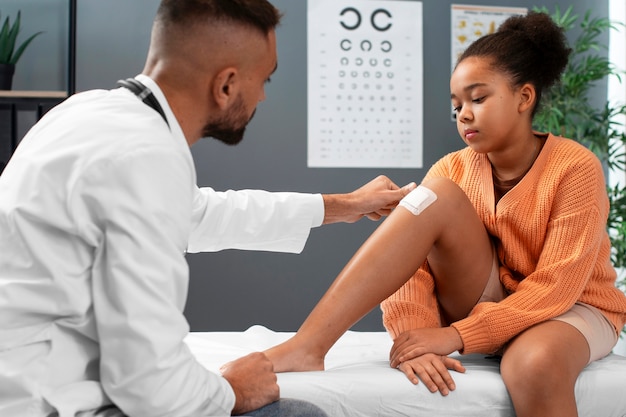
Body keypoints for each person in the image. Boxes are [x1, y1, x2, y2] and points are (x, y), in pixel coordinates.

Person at [0, 1, 416, 416]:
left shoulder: (88, 113)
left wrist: (344, 206)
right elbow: (149, 384)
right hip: (46, 400)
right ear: (226, 85)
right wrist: (233, 391)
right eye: (264, 79)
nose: (264, 95)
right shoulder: (144, 155)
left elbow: (198, 214)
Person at [264, 11, 626, 417]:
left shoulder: (575, 168)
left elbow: (557, 286)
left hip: (570, 306)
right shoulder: (451, 170)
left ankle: (511, 344)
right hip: (490, 299)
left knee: (532, 364)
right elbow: (411, 267)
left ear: (525, 97)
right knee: (433, 195)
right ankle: (309, 344)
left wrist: (456, 335)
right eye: (456, 106)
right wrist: (413, 338)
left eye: (478, 98)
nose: (464, 114)